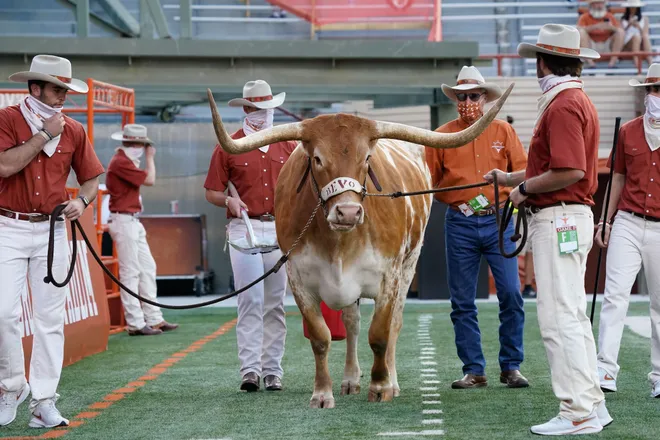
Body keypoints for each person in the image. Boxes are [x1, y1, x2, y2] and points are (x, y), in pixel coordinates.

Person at [498, 23, 612, 435]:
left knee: (558, 320)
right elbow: (557, 167)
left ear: (543, 62)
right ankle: (592, 404)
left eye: (536, 61)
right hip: (569, 215)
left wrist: (523, 189)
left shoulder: (562, 106)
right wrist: (513, 179)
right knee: (573, 317)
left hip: (559, 215)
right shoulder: (575, 99)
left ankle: (576, 411)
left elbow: (569, 170)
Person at [0, 55, 104, 428]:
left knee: (49, 319)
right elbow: (5, 166)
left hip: (52, 229)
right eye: (57, 89)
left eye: (65, 89)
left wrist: (81, 201)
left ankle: (44, 399)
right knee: (3, 313)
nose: (62, 96)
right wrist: (44, 134)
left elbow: (92, 178)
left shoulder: (74, 129)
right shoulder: (7, 119)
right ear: (35, 88)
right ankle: (11, 385)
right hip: (8, 226)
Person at [426, 66, 529, 390]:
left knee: (512, 293)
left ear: (485, 97)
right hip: (460, 221)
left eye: (473, 95)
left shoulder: (504, 131)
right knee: (462, 300)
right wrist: (459, 198)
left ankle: (510, 366)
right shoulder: (441, 135)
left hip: (499, 217)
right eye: (462, 96)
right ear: (455, 98)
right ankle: (474, 369)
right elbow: (429, 183)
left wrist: (509, 188)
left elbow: (524, 170)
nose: (467, 101)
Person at [204, 80, 297, 392]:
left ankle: (273, 371)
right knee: (250, 300)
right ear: (245, 109)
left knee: (275, 302)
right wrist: (228, 200)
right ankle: (250, 371)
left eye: (268, 108)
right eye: (257, 109)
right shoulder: (228, 145)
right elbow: (212, 192)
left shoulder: (289, 145)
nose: (264, 114)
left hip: (279, 228)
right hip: (244, 228)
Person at [594, 64, 660, 399]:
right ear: (644, 93)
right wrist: (605, 220)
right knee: (614, 296)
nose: (655, 96)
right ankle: (605, 368)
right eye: (652, 89)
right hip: (628, 221)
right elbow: (617, 178)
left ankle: (659, 375)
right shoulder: (627, 131)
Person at [105, 124, 179, 336]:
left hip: (131, 220)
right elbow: (150, 180)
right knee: (131, 272)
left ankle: (153, 318)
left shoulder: (124, 161)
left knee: (146, 268)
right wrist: (150, 159)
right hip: (124, 220)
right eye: (140, 144)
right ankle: (136, 323)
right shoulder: (121, 162)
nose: (141, 148)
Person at [577, 0, 625, 69]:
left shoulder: (610, 16)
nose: (599, 6)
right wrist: (595, 26)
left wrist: (611, 27)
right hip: (591, 45)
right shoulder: (584, 17)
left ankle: (612, 64)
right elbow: (578, 29)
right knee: (581, 32)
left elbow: (620, 30)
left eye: (601, 3)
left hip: (607, 45)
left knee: (620, 32)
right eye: (597, 3)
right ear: (592, 5)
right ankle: (591, 64)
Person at [620, 0, 653, 69]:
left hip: (641, 42)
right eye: (631, 7)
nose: (633, 9)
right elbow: (621, 34)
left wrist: (638, 26)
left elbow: (645, 33)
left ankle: (650, 62)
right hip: (627, 43)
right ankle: (637, 66)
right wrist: (629, 24)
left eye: (634, 7)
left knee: (644, 37)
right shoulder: (623, 19)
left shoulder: (644, 19)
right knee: (636, 37)